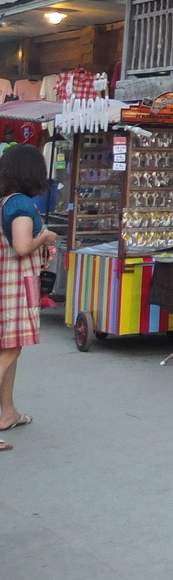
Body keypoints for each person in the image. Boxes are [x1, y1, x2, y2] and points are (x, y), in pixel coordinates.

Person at [0, 145, 59, 451]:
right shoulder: (21, 205)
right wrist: (46, 238)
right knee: (8, 352)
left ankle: (8, 413)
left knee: (11, 349)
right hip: (12, 287)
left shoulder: (4, 201)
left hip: (5, 283)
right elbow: (23, 246)